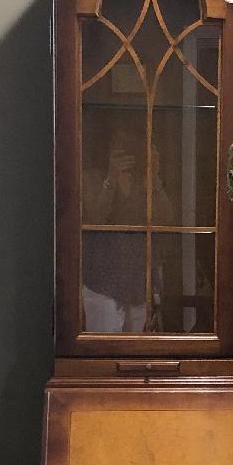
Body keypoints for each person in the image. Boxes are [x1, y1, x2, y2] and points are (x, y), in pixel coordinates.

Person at [80, 123, 172, 333]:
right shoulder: (91, 178)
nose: (128, 153)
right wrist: (111, 179)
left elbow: (166, 220)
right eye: (121, 146)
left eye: (133, 147)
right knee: (103, 354)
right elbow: (94, 218)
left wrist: (154, 177)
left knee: (138, 354)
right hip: (102, 282)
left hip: (139, 282)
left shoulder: (146, 182)